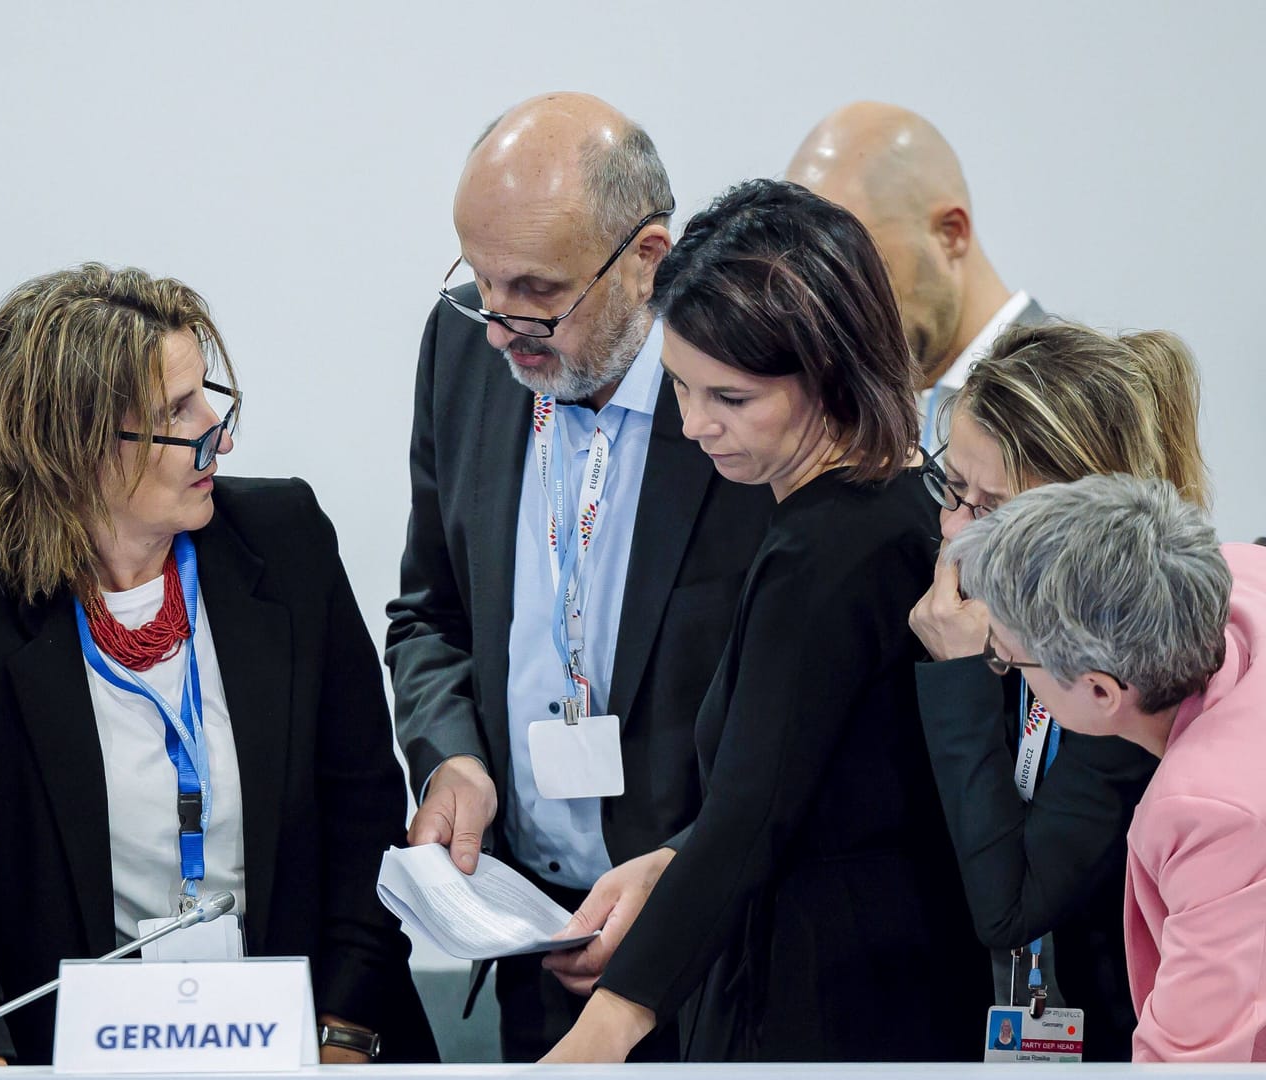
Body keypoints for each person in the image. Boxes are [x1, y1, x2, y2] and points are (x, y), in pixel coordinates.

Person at [0, 263, 438, 1066]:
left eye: (206, 393)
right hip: (90, 1051)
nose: (221, 430)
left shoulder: (283, 545)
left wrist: (343, 1034)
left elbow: (364, 816)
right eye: (180, 410)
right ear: (75, 444)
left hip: (314, 1042)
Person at [542, 179, 986, 1063]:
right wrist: (676, 863)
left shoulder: (823, 555)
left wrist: (597, 1038)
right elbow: (811, 779)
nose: (696, 425)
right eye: (678, 387)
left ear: (828, 369)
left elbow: (754, 816)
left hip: (829, 1003)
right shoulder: (898, 502)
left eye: (731, 399)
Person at [386, 91, 773, 1061]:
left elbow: (808, 714)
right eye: (478, 282)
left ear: (649, 258)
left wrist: (683, 875)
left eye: (536, 291)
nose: (499, 326)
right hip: (534, 943)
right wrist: (450, 756)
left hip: (723, 961)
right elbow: (428, 613)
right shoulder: (465, 355)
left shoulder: (754, 405)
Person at [908, 321, 1210, 1060]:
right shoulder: (982, 592)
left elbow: (1011, 905)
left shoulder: (1147, 651)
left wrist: (959, 673)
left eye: (996, 510)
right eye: (953, 489)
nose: (953, 531)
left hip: (1131, 1039)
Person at [953, 474, 1266, 1062]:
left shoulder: (1212, 810)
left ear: (1100, 691)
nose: (1006, 669)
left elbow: (1190, 1060)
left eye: (1008, 657)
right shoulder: (1241, 572)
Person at [786, 102, 1046, 449]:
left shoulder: (1068, 408)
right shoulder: (852, 408)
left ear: (951, 233)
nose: (831, 311)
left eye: (858, 270)